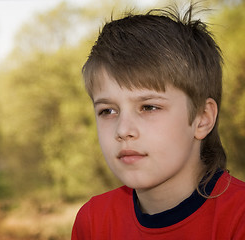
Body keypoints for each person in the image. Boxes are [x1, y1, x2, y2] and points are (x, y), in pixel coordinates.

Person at [71, 3, 245, 240]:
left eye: (149, 107)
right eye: (108, 111)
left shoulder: (238, 219)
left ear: (202, 119)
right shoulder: (93, 221)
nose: (123, 130)